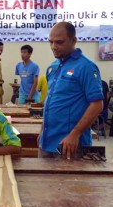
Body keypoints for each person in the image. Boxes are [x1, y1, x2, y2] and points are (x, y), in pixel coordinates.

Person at [38, 22, 103, 159]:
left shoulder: (86, 67)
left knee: (70, 181)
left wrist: (75, 134)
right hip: (46, 142)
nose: (53, 47)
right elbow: (51, 102)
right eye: (51, 42)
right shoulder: (53, 67)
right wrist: (42, 130)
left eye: (59, 42)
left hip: (69, 145)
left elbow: (97, 105)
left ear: (74, 41)